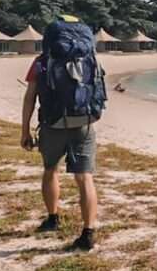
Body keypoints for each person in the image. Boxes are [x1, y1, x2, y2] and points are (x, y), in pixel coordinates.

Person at [20, 17, 106, 251]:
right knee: (85, 177)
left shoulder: (41, 62)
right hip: (84, 123)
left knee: (50, 170)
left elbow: (30, 97)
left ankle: (53, 218)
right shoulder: (90, 60)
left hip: (53, 123)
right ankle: (88, 232)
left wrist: (25, 130)